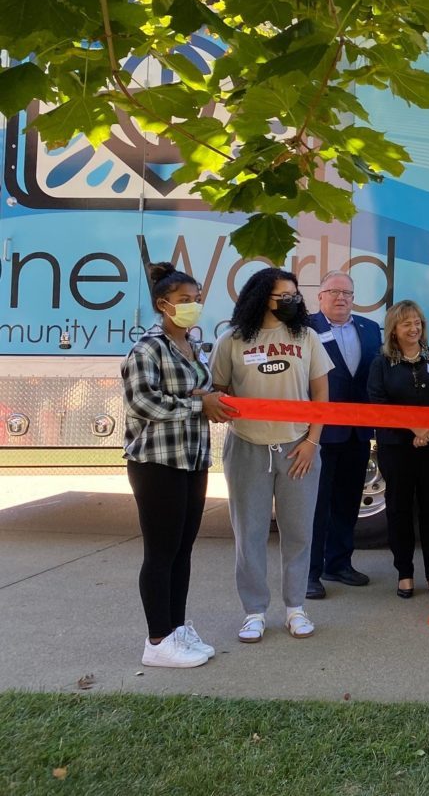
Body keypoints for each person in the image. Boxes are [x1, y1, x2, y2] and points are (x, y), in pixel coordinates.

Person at [122, 262, 235, 668]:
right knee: (161, 550)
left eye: (197, 299)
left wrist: (214, 400)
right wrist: (198, 403)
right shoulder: (148, 348)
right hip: (157, 462)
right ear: (163, 305)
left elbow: (202, 394)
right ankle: (156, 641)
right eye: (185, 301)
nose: (193, 306)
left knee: (183, 549)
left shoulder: (192, 344)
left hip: (192, 459)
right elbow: (142, 403)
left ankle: (176, 628)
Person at [210, 268, 331, 642]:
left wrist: (312, 443)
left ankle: (296, 609)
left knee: (298, 532)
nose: (292, 301)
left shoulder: (307, 336)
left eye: (295, 294)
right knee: (250, 534)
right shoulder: (231, 340)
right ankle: (254, 612)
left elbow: (321, 397)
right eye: (284, 295)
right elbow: (218, 391)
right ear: (263, 296)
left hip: (298, 449)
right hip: (247, 448)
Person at [367, 300, 429, 599]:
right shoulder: (381, 363)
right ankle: (404, 573)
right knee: (398, 510)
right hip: (396, 448)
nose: (414, 327)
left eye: (418, 322)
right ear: (394, 328)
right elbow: (378, 404)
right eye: (406, 323)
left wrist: (428, 431)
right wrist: (413, 429)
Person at [306, 271, 383, 599]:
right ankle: (310, 573)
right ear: (320, 296)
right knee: (315, 504)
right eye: (334, 292)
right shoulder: (306, 327)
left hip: (357, 431)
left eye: (348, 293)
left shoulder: (369, 329)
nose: (341, 298)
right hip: (318, 433)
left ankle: (338, 563)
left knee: (348, 501)